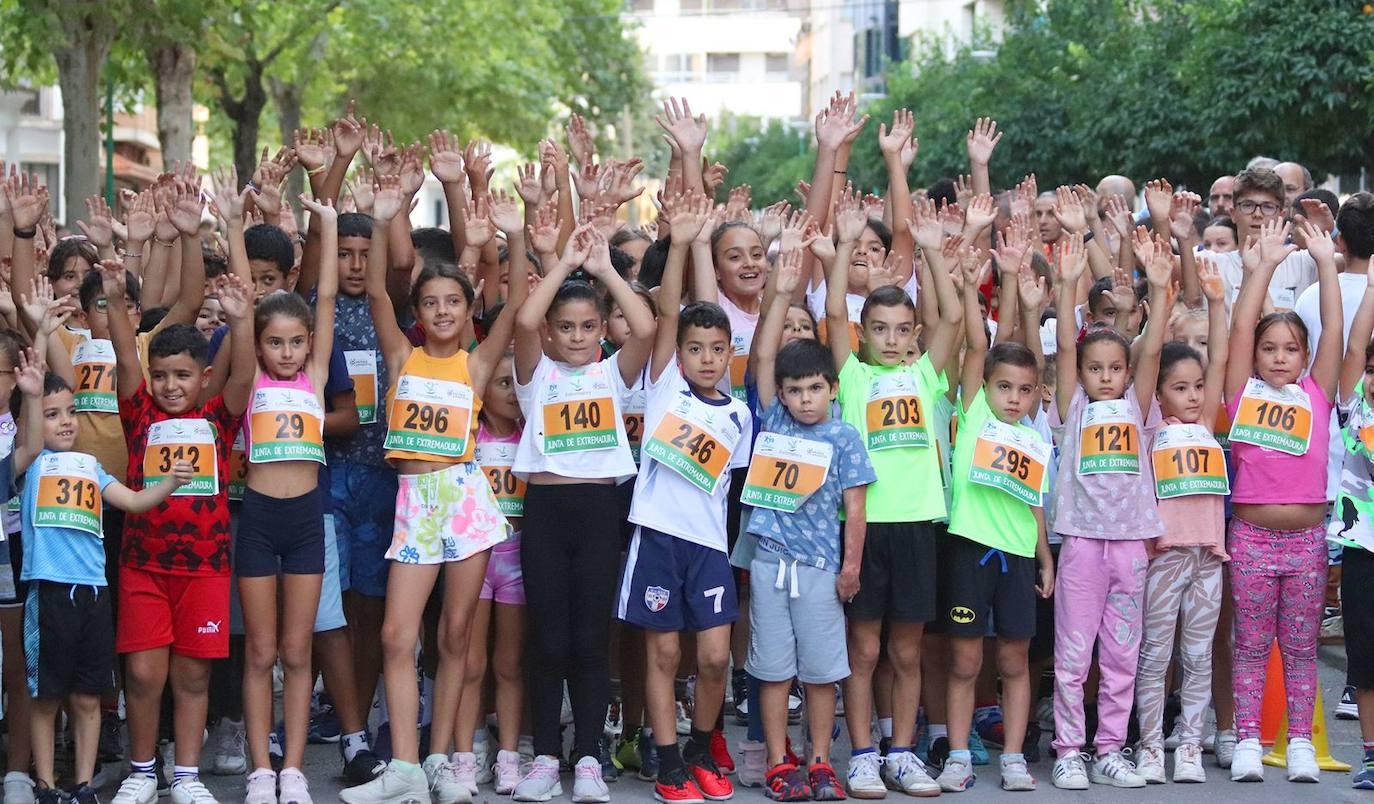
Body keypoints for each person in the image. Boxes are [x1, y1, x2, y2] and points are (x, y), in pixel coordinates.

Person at [338, 180, 523, 804]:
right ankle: (407, 769)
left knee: (456, 635)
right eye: (432, 303)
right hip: (414, 505)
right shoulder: (402, 356)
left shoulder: (475, 363)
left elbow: (519, 303)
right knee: (397, 635)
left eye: (453, 302)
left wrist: (516, 238)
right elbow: (386, 293)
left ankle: (443, 760)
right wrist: (388, 215)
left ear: (468, 310)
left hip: (467, 498)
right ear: (420, 311)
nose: (442, 311)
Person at [615, 190, 753, 803]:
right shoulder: (666, 383)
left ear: (729, 354)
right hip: (657, 538)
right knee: (665, 653)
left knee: (716, 658)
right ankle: (668, 761)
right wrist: (686, 241)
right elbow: (668, 313)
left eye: (715, 349)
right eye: (694, 348)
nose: (703, 357)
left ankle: (701, 748)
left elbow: (733, 491)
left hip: (709, 548)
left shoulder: (741, 416)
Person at [510, 222, 655, 804]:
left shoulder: (610, 375)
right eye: (565, 328)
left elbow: (644, 327)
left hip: (599, 510)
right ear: (550, 333)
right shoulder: (535, 373)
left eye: (588, 327)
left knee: (592, 640)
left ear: (601, 332)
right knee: (548, 639)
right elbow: (522, 320)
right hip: (545, 510)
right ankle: (546, 755)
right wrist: (562, 262)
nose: (576, 337)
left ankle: (589, 757)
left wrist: (605, 272)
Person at [834, 194, 962, 799]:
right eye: (878, 329)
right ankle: (862, 754)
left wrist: (933, 252)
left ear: (913, 334)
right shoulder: (854, 375)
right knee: (863, 649)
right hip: (865, 525)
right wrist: (845, 242)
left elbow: (955, 323)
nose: (890, 339)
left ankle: (903, 752)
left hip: (917, 526)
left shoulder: (924, 375)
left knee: (906, 651)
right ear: (864, 334)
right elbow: (833, 311)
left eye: (900, 330)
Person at [742, 248, 873, 802]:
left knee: (822, 673)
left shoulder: (843, 437)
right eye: (794, 390)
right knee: (773, 671)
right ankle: (779, 760)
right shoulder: (773, 416)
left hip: (821, 570)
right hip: (771, 562)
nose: (803, 398)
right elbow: (763, 355)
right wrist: (780, 294)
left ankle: (820, 759)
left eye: (815, 388)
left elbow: (856, 508)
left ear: (832, 389)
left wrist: (850, 568)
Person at [1222, 216, 1341, 783]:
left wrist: (1325, 264)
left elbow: (1337, 333)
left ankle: (1299, 743)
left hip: (1307, 542)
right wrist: (1264, 264)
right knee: (1249, 645)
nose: (1276, 357)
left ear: (1305, 356)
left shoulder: (1318, 394)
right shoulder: (1242, 395)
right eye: (1268, 349)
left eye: (1290, 349)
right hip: (1250, 538)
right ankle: (1248, 738)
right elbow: (1242, 325)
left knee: (1299, 649)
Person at [1048, 231, 1168, 790]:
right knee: (1073, 656)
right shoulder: (1072, 406)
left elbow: (1154, 346)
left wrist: (1162, 290)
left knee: (1121, 656)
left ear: (1126, 372)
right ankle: (1069, 748)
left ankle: (1110, 748)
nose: (1103, 377)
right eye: (1094, 368)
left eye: (1113, 369)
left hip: (1130, 546)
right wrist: (1067, 280)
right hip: (1080, 544)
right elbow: (1069, 355)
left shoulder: (1136, 405)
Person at [934, 248, 1055, 793]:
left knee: (1014, 658)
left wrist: (1046, 558)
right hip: (969, 549)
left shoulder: (1033, 436)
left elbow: (1035, 503)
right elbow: (980, 343)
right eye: (1004, 387)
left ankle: (1012, 758)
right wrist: (981, 282)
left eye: (1025, 390)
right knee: (964, 660)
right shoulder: (974, 410)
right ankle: (958, 753)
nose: (1013, 397)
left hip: (1019, 555)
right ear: (983, 388)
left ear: (1037, 394)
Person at [235, 194, 340, 804]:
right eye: (274, 343)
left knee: (298, 650)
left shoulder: (317, 377)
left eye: (295, 342)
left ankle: (293, 768)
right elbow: (250, 304)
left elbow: (323, 302)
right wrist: (232, 221)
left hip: (305, 520)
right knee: (262, 651)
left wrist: (323, 224)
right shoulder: (250, 378)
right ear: (260, 344)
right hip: (258, 519)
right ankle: (258, 767)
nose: (286, 352)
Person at [1133, 259, 1230, 784]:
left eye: (1196, 388)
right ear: (1161, 393)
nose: (1193, 397)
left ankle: (1189, 745)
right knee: (1155, 655)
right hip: (1165, 556)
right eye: (1180, 388)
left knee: (1196, 656)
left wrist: (1216, 303)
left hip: (1208, 557)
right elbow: (1147, 364)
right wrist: (1160, 301)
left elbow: (1217, 365)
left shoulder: (1208, 420)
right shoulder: (1149, 425)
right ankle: (1150, 746)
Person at [1324, 194, 1374, 791]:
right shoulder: (1353, 410)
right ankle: (1369, 753)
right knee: (1365, 658)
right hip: (1362, 547)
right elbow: (1355, 343)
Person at [463, 345, 527, 795]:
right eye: (504, 384)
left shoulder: (532, 438)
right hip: (476, 563)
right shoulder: (471, 440)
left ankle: (509, 754)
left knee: (508, 664)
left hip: (518, 564)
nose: (514, 393)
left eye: (519, 385)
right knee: (470, 664)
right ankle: (466, 753)